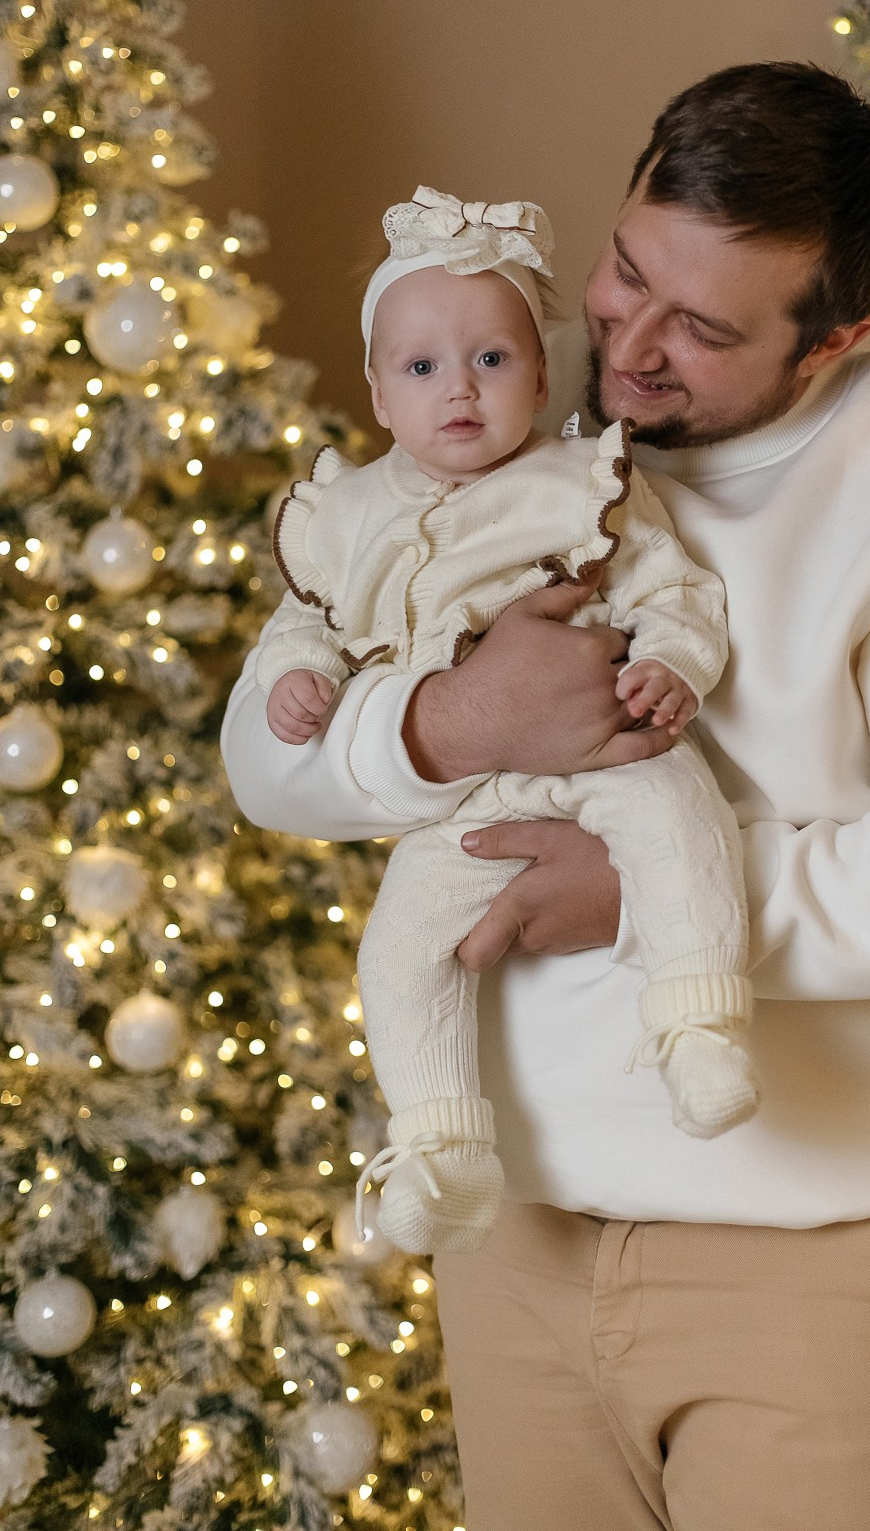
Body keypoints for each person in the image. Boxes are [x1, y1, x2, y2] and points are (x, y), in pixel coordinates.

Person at [221, 62, 870, 1531]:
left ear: (837, 335)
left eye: (702, 329)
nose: (629, 347)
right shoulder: (493, 453)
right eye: (626, 275)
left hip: (818, 1263)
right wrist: (449, 720)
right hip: (523, 1242)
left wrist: (648, 893)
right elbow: (264, 756)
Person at [252, 184, 758, 1257]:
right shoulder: (347, 519)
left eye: (492, 359)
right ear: (380, 394)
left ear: (538, 370)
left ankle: (700, 1019)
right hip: (464, 811)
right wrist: (300, 677)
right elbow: (309, 627)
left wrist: (672, 660)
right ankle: (441, 1145)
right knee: (398, 954)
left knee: (682, 821)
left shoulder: (583, 484)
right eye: (423, 367)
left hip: (607, 745)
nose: (462, 392)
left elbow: (677, 595)